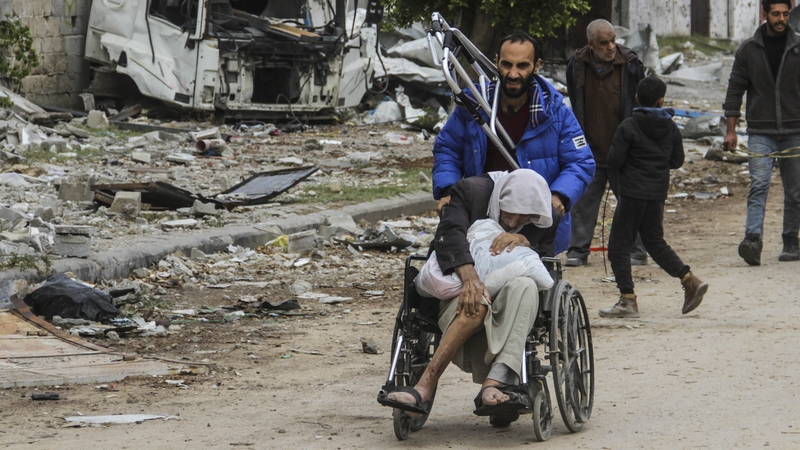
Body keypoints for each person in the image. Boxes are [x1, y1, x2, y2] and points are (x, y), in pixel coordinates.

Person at [378, 169, 558, 426]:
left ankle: (495, 382)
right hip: (458, 286)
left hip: (511, 300)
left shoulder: (547, 216)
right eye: (510, 212)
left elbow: (544, 258)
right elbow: (449, 233)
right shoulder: (471, 191)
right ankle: (424, 385)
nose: (513, 222)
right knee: (476, 301)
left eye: (523, 217)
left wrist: (524, 239)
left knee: (526, 285)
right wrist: (470, 277)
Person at [432, 31, 595, 255]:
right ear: (496, 61)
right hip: (481, 212)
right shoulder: (474, 105)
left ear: (537, 66)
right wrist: (448, 189)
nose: (513, 73)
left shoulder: (555, 112)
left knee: (530, 275)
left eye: (522, 66)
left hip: (533, 219)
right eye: (507, 64)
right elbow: (448, 149)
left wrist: (559, 196)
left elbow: (581, 162)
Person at [600, 77, 708, 318]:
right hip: (657, 194)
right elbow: (677, 160)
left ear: (637, 98)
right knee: (655, 242)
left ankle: (627, 300)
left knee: (619, 246)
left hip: (631, 194)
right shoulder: (670, 127)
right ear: (661, 100)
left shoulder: (628, 126)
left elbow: (614, 160)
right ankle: (689, 279)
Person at [564, 19, 649, 267]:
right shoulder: (577, 65)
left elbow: (641, 106)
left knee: (631, 201)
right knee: (583, 203)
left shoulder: (630, 64)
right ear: (591, 44)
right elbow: (575, 101)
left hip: (624, 150)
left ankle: (638, 251)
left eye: (613, 40)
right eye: (604, 43)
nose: (611, 47)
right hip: (591, 149)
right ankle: (577, 251)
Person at [723, 0, 800, 265]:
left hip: (795, 130)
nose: (781, 19)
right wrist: (730, 131)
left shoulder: (798, 47)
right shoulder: (749, 49)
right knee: (759, 185)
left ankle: (791, 241)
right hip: (760, 132)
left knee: (795, 191)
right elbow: (735, 90)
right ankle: (752, 241)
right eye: (776, 14)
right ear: (764, 14)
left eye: (785, 14)